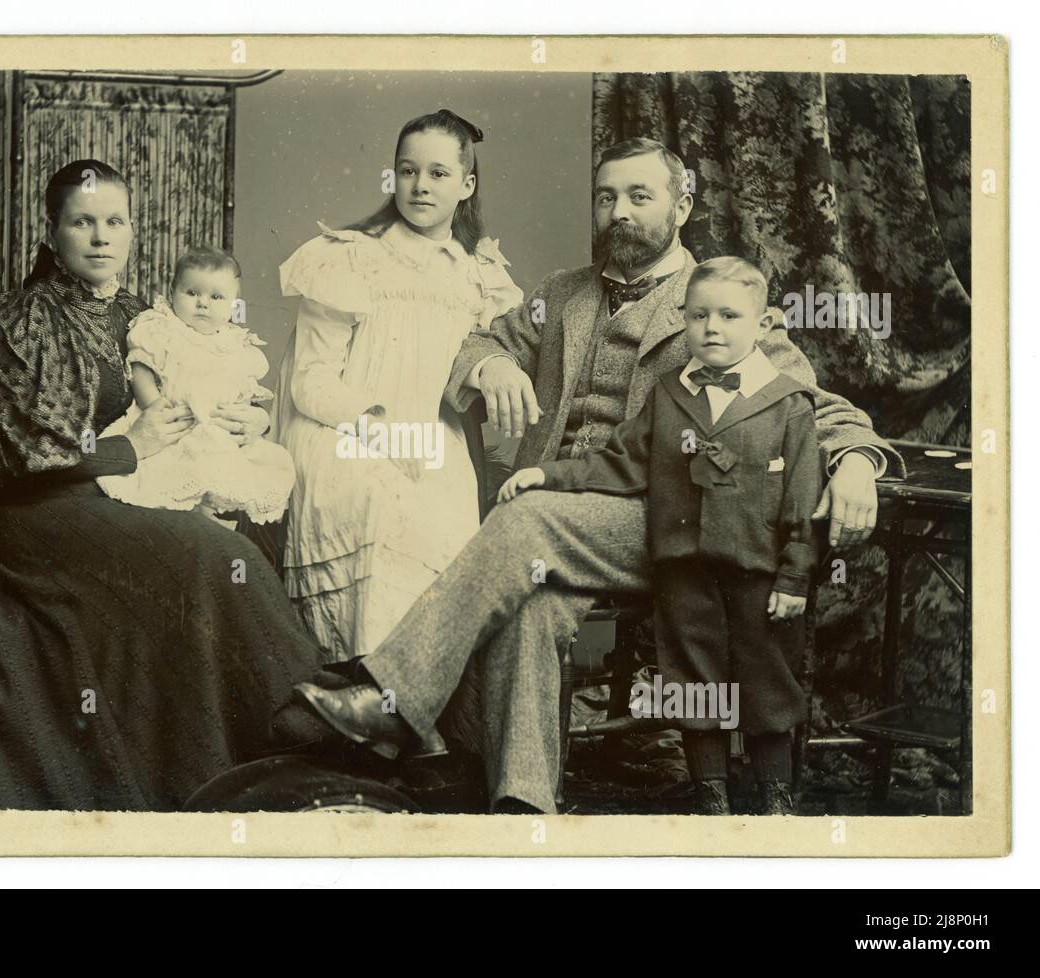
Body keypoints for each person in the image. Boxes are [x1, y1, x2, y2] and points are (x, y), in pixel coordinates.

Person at [294, 138, 904, 814]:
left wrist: (855, 461)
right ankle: (525, 806)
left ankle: (393, 698)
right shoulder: (562, 294)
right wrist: (492, 367)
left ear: (683, 203)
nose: (619, 212)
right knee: (531, 603)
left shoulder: (715, 303)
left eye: (640, 197)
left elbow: (810, 405)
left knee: (523, 520)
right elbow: (482, 341)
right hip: (568, 512)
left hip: (667, 522)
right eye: (607, 197)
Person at [0, 160, 323, 812]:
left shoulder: (150, 318)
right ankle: (296, 719)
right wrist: (128, 448)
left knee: (243, 529)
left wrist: (252, 417)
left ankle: (260, 749)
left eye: (115, 221)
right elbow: (20, 453)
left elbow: (217, 384)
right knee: (208, 552)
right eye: (83, 222)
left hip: (125, 492)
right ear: (52, 233)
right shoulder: (23, 321)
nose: (101, 237)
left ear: (134, 231)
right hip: (34, 514)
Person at [499, 256, 821, 815]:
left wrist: (794, 575)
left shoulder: (787, 404)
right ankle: (711, 799)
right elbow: (617, 463)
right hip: (684, 571)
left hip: (758, 575)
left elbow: (801, 501)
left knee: (766, 683)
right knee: (696, 685)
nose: (712, 328)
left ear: (764, 324)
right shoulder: (671, 395)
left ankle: (775, 798)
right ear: (683, 321)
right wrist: (546, 474)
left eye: (728, 316)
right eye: (699, 316)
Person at [274, 109, 522, 671]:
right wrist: (378, 429)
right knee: (379, 503)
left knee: (438, 514)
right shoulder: (350, 257)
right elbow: (310, 382)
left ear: (467, 184)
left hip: (436, 437)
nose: (420, 186)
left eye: (438, 173)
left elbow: (491, 359)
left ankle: (407, 709)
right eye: (407, 171)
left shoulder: (480, 274)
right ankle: (365, 692)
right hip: (342, 430)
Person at [97, 246, 295, 526]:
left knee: (245, 469)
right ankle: (197, 516)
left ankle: (218, 512)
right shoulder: (161, 328)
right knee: (178, 475)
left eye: (216, 297)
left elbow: (243, 391)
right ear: (173, 290)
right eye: (192, 293)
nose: (203, 303)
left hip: (218, 429)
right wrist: (155, 406)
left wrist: (249, 416)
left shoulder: (234, 344)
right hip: (173, 424)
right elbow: (140, 370)